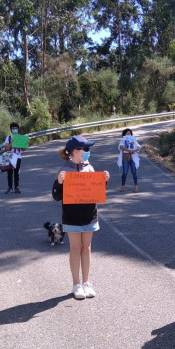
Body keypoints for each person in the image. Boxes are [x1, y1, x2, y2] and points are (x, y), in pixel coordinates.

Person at [52, 136, 110, 299]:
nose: (87, 152)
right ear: (74, 152)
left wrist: (104, 181)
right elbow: (56, 196)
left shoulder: (90, 168)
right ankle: (76, 284)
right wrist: (59, 182)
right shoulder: (64, 170)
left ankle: (87, 282)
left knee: (87, 248)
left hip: (90, 215)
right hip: (72, 217)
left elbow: (96, 192)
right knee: (75, 249)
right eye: (85, 149)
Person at [117, 127, 141, 192]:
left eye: (129, 133)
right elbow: (120, 146)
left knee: (134, 172)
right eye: (127, 134)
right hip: (125, 158)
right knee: (125, 172)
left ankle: (136, 186)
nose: (128, 135)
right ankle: (123, 186)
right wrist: (128, 150)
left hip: (133, 158)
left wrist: (133, 150)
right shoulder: (122, 140)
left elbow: (138, 147)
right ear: (124, 135)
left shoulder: (134, 140)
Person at [4, 121, 24, 194]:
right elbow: (6, 148)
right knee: (9, 172)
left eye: (16, 128)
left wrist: (25, 144)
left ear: (18, 129)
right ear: (11, 130)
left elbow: (24, 149)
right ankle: (9, 187)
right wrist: (11, 142)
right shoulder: (8, 138)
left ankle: (16, 187)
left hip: (18, 156)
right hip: (10, 156)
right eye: (13, 128)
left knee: (16, 172)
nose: (15, 130)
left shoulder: (21, 138)